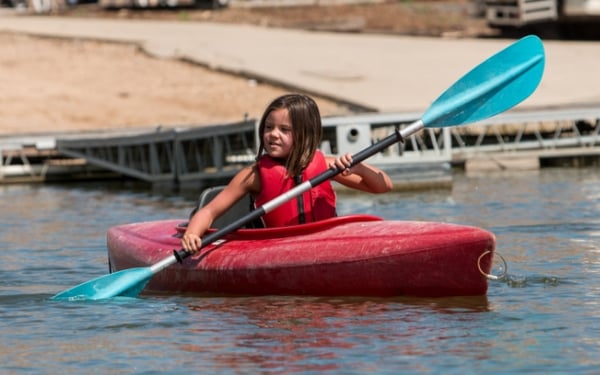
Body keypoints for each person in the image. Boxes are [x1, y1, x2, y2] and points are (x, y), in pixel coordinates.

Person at [181, 93, 393, 253]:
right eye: (268, 127)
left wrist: (360, 168)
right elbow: (208, 212)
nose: (273, 135)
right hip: (278, 249)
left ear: (304, 134)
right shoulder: (253, 176)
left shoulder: (327, 166)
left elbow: (382, 186)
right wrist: (192, 233)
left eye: (284, 130)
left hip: (324, 245)